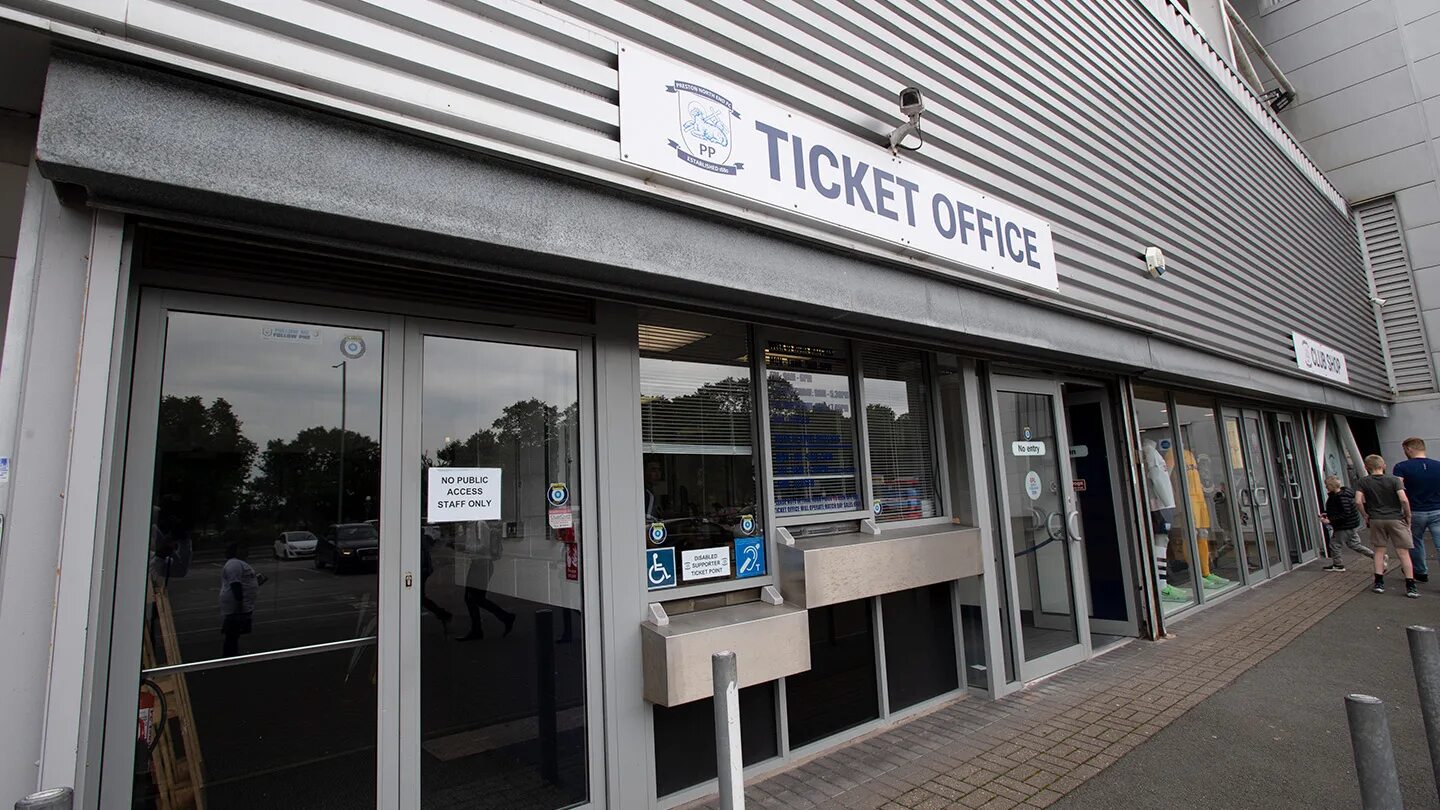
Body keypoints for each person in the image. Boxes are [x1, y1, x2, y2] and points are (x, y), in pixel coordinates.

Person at [1354, 454, 1418, 598]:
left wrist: (1365, 515)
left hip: (1376, 518)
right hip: (1395, 518)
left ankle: (1379, 582)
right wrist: (1408, 516)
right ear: (1384, 466)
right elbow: (1404, 500)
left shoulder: (1363, 482)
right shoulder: (1394, 480)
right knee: (1403, 552)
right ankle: (1410, 585)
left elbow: (1358, 501)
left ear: (1366, 467)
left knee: (1379, 551)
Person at [1393, 437, 1440, 583]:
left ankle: (1420, 572)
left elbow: (1397, 489)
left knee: (1415, 541)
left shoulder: (1401, 467)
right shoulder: (1438, 465)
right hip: (1437, 509)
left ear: (1409, 449)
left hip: (1414, 511)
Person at [1321, 474, 1374, 571]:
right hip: (1350, 525)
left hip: (1344, 526)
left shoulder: (1340, 498)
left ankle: (1338, 565)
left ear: (1332, 486)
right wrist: (1327, 513)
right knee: (1354, 544)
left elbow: (1345, 513)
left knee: (1334, 544)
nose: (1326, 487)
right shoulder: (1343, 495)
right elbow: (1340, 511)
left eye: (1327, 485)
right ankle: (1376, 556)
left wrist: (1330, 519)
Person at [220, 542, 264, 656]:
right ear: (236, 550)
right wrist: (239, 604)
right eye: (243, 547)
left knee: (235, 632)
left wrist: (256, 582)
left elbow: (244, 583)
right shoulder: (234, 564)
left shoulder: (240, 563)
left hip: (242, 604)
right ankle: (229, 656)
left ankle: (232, 654)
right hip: (236, 605)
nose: (247, 550)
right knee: (232, 632)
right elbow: (236, 585)